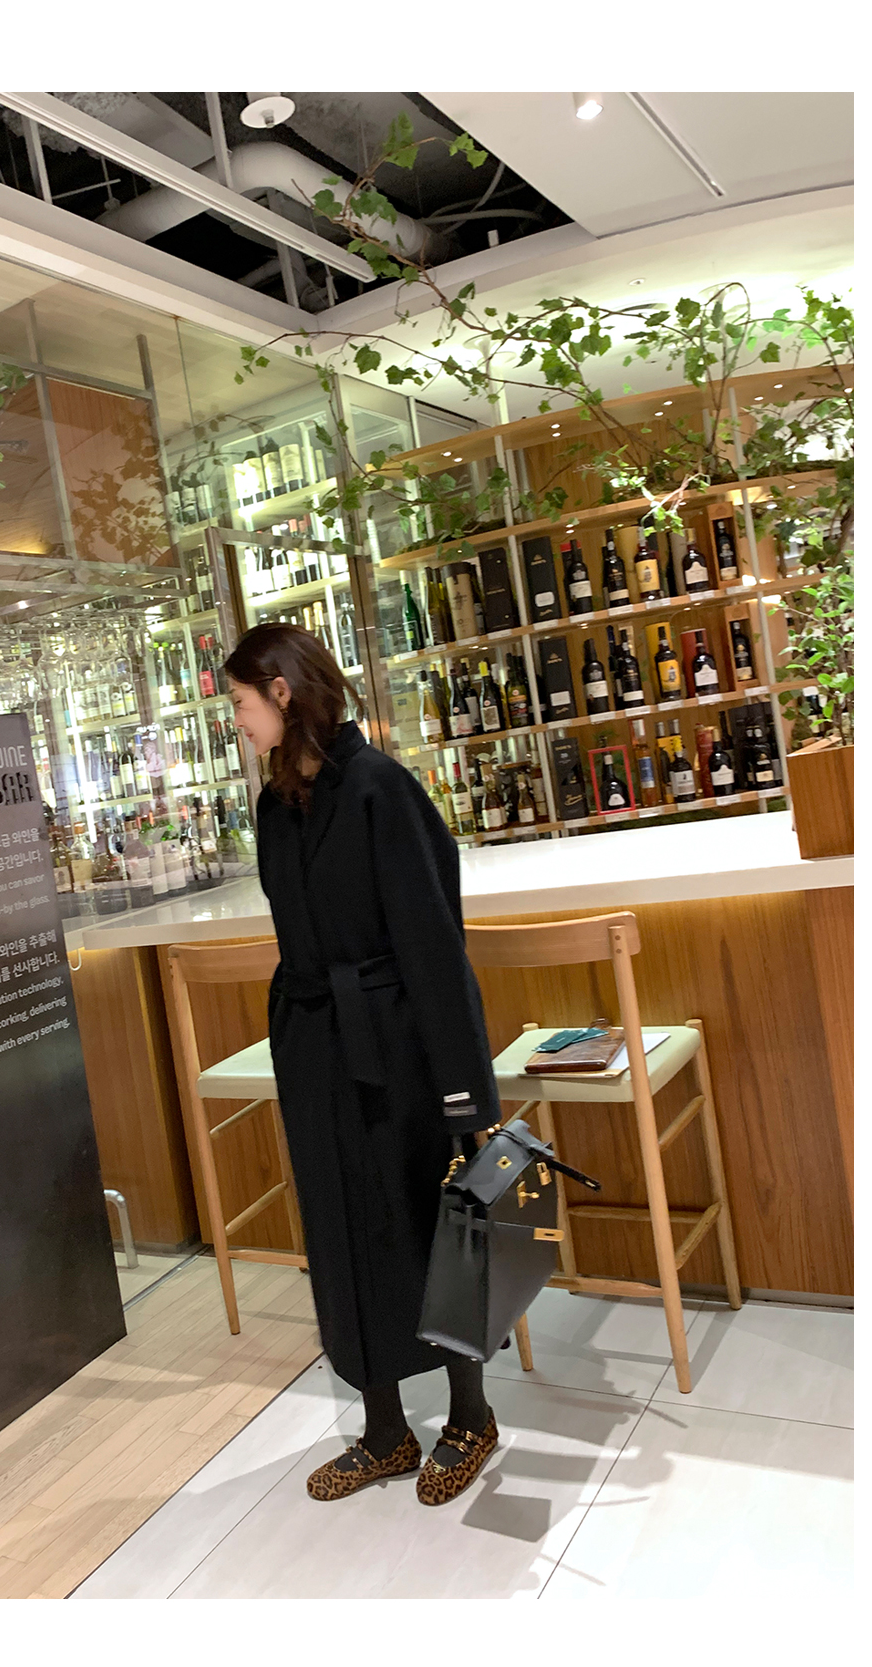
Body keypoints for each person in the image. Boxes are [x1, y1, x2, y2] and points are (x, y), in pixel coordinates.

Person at [225, 621, 501, 1506]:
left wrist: (465, 1093)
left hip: (398, 1044)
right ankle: (384, 1431)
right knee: (340, 1232)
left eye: (241, 702)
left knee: (426, 1219)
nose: (237, 721)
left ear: (281, 691)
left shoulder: (381, 788)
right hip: (317, 1044)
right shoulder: (277, 805)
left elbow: (433, 943)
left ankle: (471, 1415)